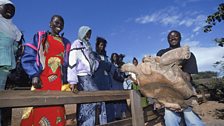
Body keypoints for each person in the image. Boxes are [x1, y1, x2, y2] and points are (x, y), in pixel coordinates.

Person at [20, 15, 71, 126]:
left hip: (58, 82)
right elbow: (30, 54)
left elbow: (67, 64)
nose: (59, 25)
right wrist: (34, 74)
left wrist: (68, 80)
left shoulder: (66, 42)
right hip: (42, 80)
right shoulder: (41, 37)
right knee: (40, 107)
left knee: (57, 108)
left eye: (62, 23)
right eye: (56, 22)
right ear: (50, 24)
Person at [156, 30, 204, 126]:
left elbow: (187, 76)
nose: (173, 38)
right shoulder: (161, 53)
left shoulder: (187, 54)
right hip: (168, 91)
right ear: (167, 39)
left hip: (185, 88)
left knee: (191, 118)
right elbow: (157, 71)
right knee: (171, 119)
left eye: (176, 36)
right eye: (170, 37)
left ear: (180, 38)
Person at [68, 26, 100, 126]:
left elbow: (91, 62)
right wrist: (72, 81)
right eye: (86, 33)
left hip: (89, 76)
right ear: (82, 33)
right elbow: (72, 62)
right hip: (81, 76)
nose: (88, 35)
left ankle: (89, 122)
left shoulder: (88, 46)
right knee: (91, 99)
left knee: (89, 102)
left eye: (89, 33)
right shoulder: (77, 43)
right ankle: (86, 123)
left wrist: (97, 62)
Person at [0, 0, 22, 125]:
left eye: (12, 9)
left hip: (6, 67)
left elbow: (15, 47)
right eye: (6, 7)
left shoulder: (14, 29)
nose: (9, 10)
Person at [93, 37, 114, 123]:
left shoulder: (106, 57)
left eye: (104, 45)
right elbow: (103, 66)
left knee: (109, 103)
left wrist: (103, 63)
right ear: (97, 45)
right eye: (101, 45)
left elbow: (109, 67)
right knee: (99, 105)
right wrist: (105, 64)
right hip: (98, 82)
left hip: (107, 82)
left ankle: (110, 121)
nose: (102, 47)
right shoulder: (94, 55)